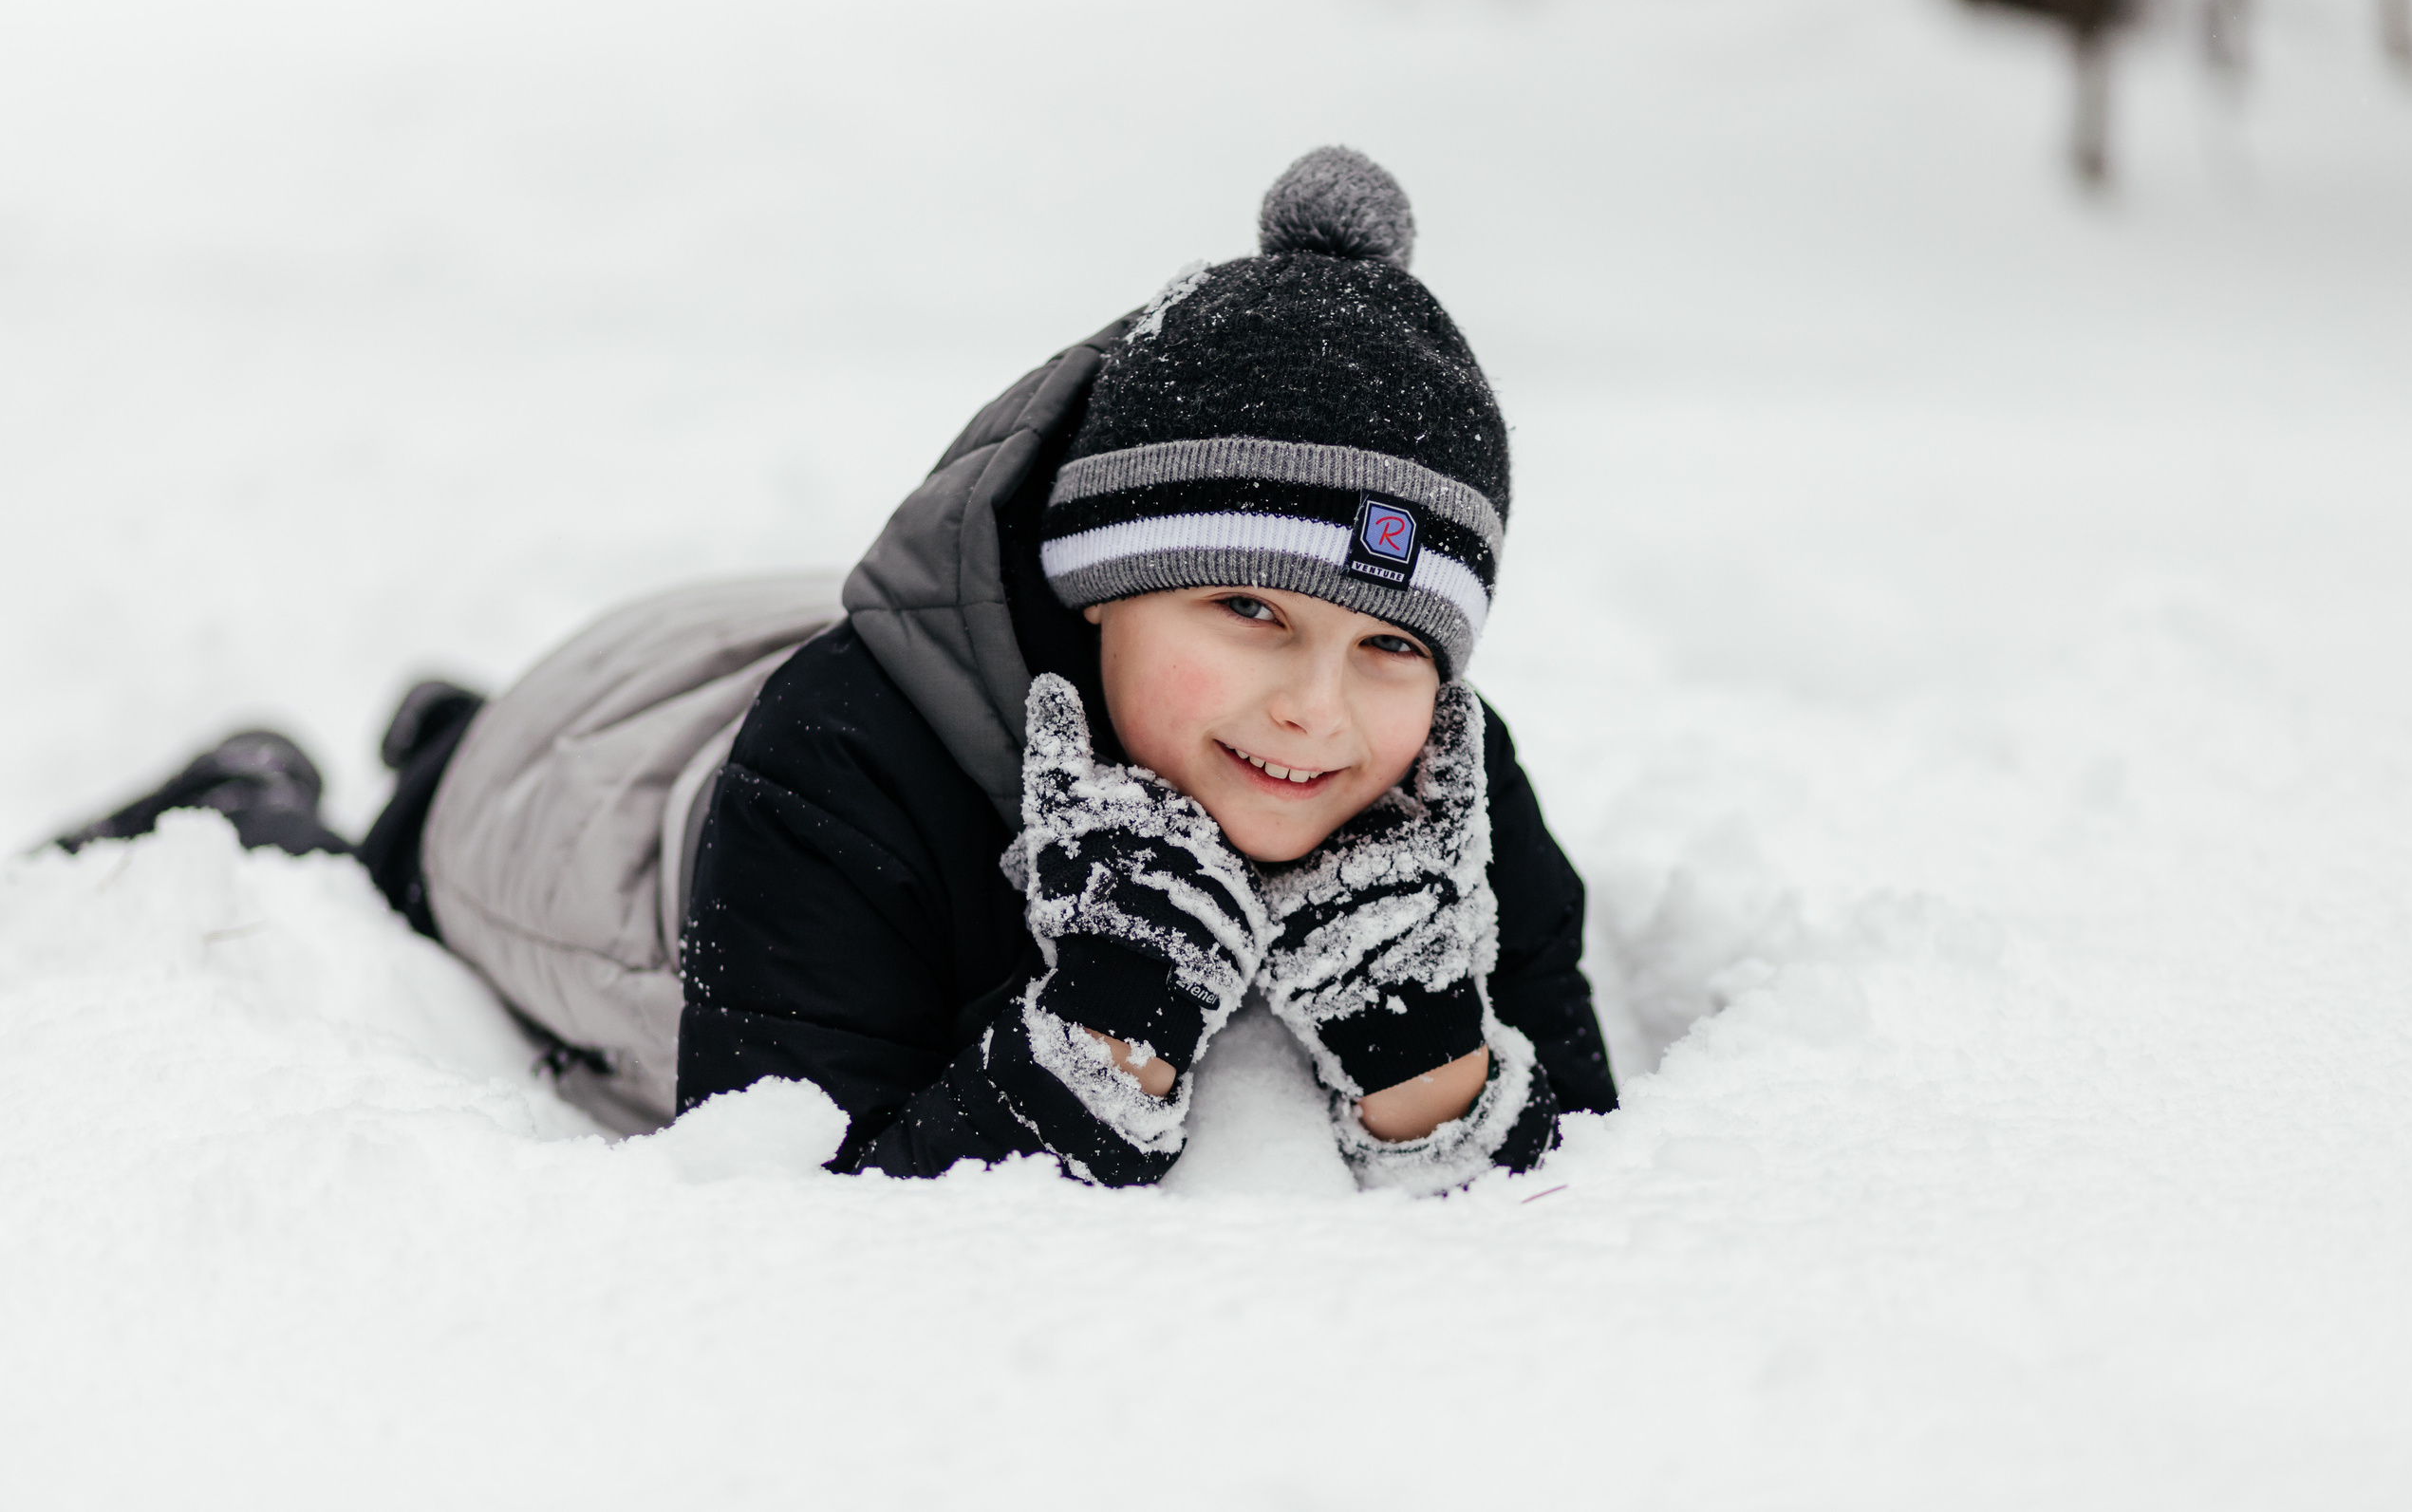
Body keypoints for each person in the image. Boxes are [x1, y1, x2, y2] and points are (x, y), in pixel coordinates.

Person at [60, 148, 1619, 1190]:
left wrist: (1436, 1073)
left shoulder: (1445, 788)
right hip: (602, 777)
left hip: (851, 637)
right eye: (1250, 614)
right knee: (401, 871)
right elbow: (793, 1204)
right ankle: (300, 785)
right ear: (1098, 597)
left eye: (1391, 646)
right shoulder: (845, 773)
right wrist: (1101, 1049)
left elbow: (1581, 1143)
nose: (1318, 708)